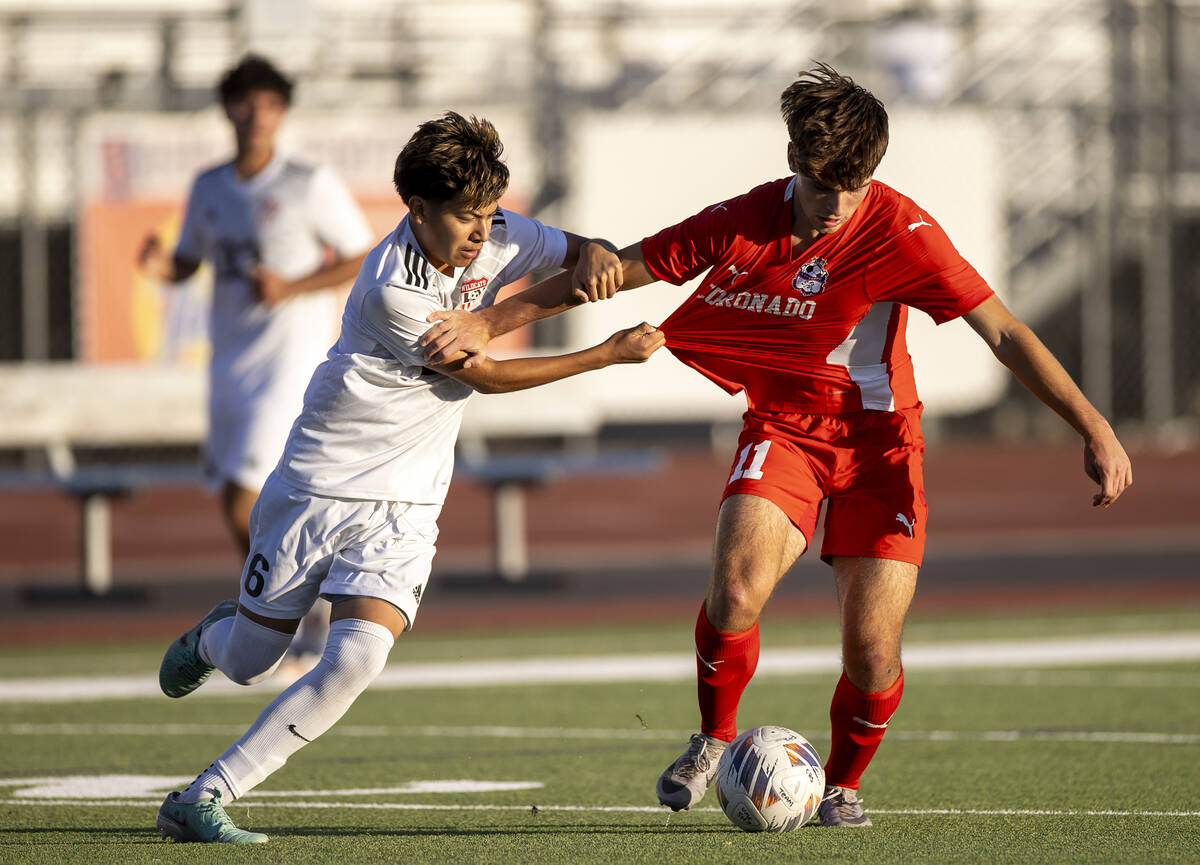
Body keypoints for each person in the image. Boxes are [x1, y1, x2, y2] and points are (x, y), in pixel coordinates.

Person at [419, 64, 1133, 827]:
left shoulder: (903, 231)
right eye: (823, 184)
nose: (837, 204)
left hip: (881, 449)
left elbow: (1007, 331)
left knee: (871, 654)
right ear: (792, 158)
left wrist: (1094, 425)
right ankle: (713, 739)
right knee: (732, 594)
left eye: (854, 184)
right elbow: (616, 272)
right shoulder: (746, 218)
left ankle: (844, 785)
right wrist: (488, 322)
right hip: (784, 431)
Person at [154, 111, 662, 844]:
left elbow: (583, 251)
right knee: (251, 660)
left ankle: (205, 794)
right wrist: (603, 356)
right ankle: (210, 639)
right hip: (317, 486)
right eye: (465, 217)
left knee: (357, 655)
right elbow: (483, 375)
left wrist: (600, 255)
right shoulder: (391, 289)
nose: (483, 232)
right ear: (416, 210)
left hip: (408, 501)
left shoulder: (503, 233)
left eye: (489, 213)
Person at [138, 54, 374, 670]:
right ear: (228, 110)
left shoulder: (306, 181)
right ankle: (295, 600)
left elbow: (360, 254)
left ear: (282, 112)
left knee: (248, 495)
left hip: (288, 361)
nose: (255, 114)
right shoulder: (210, 187)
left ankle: (285, 612)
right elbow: (190, 259)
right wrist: (163, 266)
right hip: (229, 362)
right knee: (230, 499)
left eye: (268, 103)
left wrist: (292, 288)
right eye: (244, 101)